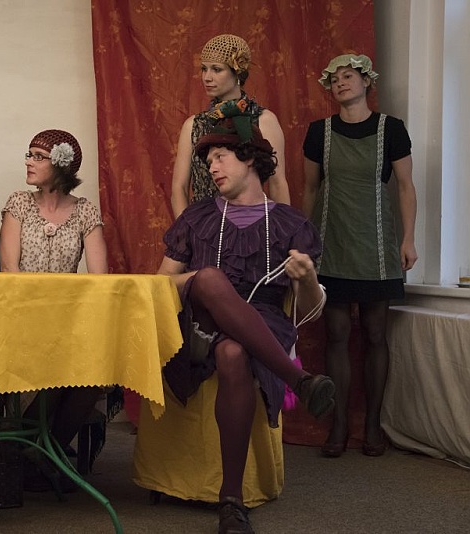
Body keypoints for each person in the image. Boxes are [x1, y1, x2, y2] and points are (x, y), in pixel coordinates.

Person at [158, 116, 335, 533]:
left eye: (221, 157)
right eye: (209, 162)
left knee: (234, 352)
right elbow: (160, 283)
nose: (213, 168)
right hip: (200, 322)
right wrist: (199, 281)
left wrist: (308, 279)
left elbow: (310, 310)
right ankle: (299, 380)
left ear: (250, 159)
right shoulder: (197, 217)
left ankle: (231, 501)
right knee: (211, 278)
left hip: (264, 321)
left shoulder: (291, 224)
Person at [302, 54, 418, 458]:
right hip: (330, 244)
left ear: (367, 81)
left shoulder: (392, 129)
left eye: (348, 76)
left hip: (377, 247)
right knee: (336, 335)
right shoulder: (318, 132)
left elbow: (405, 187)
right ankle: (338, 427)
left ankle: (372, 426)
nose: (341, 83)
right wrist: (303, 241)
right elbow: (310, 190)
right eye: (334, 79)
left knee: (374, 335)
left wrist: (408, 240)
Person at [0, 129, 108, 490]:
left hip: (68, 320)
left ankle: (48, 452)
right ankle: (37, 451)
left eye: (38, 156)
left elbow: (99, 279)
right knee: (62, 360)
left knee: (95, 369)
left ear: (61, 164)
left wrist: (71, 318)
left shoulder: (85, 210)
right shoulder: (18, 203)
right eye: (28, 154)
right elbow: (9, 272)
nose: (28, 162)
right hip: (21, 317)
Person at [170, 33, 290, 218]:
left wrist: (284, 229)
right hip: (204, 227)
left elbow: (277, 184)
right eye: (204, 69)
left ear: (238, 72)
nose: (206, 77)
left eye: (217, 69)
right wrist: (187, 230)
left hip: (251, 224)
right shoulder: (193, 125)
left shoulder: (264, 120)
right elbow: (179, 188)